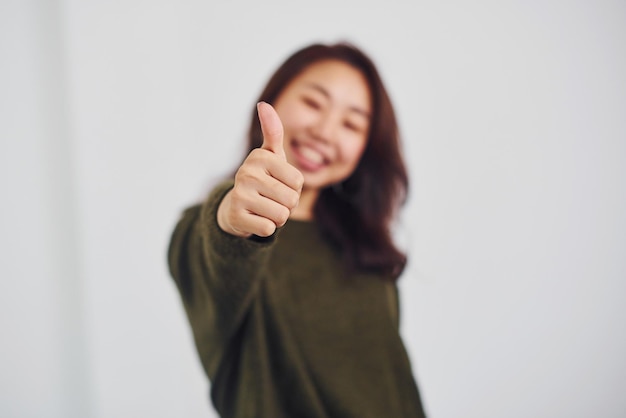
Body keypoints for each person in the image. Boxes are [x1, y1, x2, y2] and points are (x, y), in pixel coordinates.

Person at [168, 41, 427, 418]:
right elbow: (216, 236)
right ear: (273, 99)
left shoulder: (363, 245)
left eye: (352, 123)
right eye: (313, 103)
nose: (324, 131)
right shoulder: (204, 229)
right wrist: (232, 216)